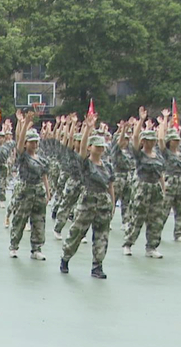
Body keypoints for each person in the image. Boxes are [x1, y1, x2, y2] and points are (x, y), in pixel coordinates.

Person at [60, 114, 114, 279]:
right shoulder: (86, 163)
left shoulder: (107, 166)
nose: (100, 149)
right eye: (96, 147)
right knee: (77, 232)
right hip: (87, 201)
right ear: (91, 147)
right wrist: (88, 129)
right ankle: (66, 258)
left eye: (102, 147)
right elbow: (82, 148)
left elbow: (111, 185)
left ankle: (97, 266)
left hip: (103, 202)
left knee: (102, 236)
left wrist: (112, 203)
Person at [121, 108, 169, 258]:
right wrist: (141, 120)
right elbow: (135, 137)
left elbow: (160, 173)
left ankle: (151, 247)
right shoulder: (139, 155)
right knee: (137, 217)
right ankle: (128, 244)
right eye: (147, 140)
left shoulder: (159, 155)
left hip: (155, 188)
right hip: (142, 187)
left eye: (152, 139)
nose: (150, 142)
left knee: (156, 219)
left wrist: (163, 187)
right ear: (143, 141)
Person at [8, 111, 50, 260]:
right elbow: (18, 145)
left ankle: (36, 248)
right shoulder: (23, 156)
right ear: (26, 143)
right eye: (31, 142)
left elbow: (44, 175)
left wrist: (47, 190)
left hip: (38, 190)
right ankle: (14, 246)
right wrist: (25, 124)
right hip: (26, 190)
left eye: (36, 142)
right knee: (20, 218)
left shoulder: (41, 159)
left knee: (39, 220)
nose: (34, 144)